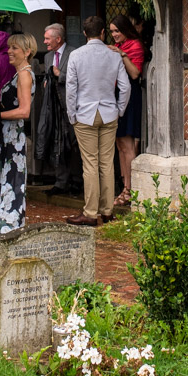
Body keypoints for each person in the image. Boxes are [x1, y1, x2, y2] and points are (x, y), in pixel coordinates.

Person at [64, 15, 130, 226]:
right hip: (109, 112)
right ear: (103, 32)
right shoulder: (114, 55)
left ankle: (91, 212)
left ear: (85, 33)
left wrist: (71, 114)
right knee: (106, 163)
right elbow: (125, 87)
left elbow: (71, 88)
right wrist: (119, 109)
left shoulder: (76, 55)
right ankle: (107, 210)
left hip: (85, 113)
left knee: (90, 163)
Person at [0, 32, 36, 236]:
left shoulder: (24, 75)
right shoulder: (18, 73)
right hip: (7, 134)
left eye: (14, 48)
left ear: (27, 52)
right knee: (6, 178)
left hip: (13, 135)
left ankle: (8, 227)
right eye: (9, 47)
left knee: (12, 179)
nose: (9, 51)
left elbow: (24, 111)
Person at [108, 15, 145, 207]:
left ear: (125, 30)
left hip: (130, 96)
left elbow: (135, 73)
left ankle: (130, 189)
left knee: (128, 144)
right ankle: (124, 186)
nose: (114, 34)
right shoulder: (118, 47)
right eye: (112, 31)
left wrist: (121, 56)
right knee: (120, 144)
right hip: (116, 94)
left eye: (117, 31)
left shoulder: (134, 46)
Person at [40, 23, 79, 195]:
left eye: (47, 38)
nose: (45, 41)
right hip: (54, 109)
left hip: (72, 106)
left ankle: (78, 181)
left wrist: (59, 75)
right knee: (58, 145)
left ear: (58, 38)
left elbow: (78, 77)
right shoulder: (48, 56)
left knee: (74, 144)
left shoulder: (74, 53)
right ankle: (61, 182)